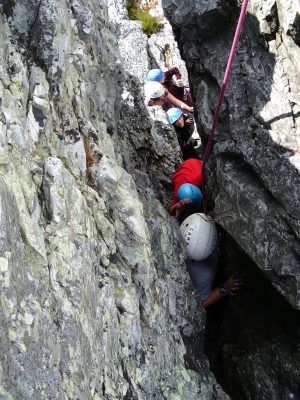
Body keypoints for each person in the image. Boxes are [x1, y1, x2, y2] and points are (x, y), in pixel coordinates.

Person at [170, 158, 243, 308]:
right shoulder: (205, 272)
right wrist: (225, 288)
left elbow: (171, 218)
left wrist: (177, 207)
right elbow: (203, 302)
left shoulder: (177, 229)